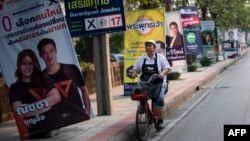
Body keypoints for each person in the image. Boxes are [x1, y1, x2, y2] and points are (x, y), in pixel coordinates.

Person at [37, 38, 92, 127]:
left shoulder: (71, 69)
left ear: (56, 50)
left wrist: (87, 112)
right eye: (45, 52)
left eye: (51, 50)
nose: (49, 55)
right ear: (40, 55)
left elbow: (84, 90)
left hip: (79, 119)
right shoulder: (40, 78)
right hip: (57, 123)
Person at [8, 49, 61, 139]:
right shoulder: (15, 87)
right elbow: (20, 111)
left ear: (35, 64)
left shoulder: (44, 79)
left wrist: (30, 108)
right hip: (34, 133)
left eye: (30, 63)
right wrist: (48, 105)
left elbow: (57, 97)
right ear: (19, 66)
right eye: (24, 64)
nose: (27, 67)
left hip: (53, 130)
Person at [130, 40, 170, 130]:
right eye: (146, 46)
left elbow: (167, 68)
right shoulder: (141, 58)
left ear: (154, 47)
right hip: (145, 82)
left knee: (159, 100)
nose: (148, 47)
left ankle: (160, 121)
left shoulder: (160, 57)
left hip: (158, 82)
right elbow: (135, 68)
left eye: (150, 45)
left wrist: (162, 74)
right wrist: (134, 73)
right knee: (138, 93)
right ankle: (145, 109)